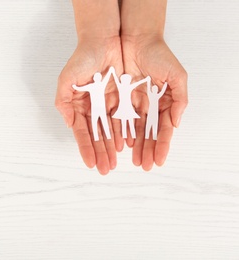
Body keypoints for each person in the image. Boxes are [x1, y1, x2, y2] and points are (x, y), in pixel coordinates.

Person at [55, 0, 188, 174]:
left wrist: (145, 31)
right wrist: (96, 31)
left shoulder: (119, 85)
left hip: (115, 106)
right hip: (102, 108)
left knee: (136, 125)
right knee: (101, 123)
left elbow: (131, 81)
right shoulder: (103, 84)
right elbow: (101, 83)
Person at [109, 66, 150, 139]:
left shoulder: (126, 86)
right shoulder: (122, 86)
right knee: (125, 121)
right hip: (124, 106)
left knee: (128, 120)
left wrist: (146, 80)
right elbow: (116, 80)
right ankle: (128, 134)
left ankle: (132, 134)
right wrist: (112, 72)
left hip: (127, 106)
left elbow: (138, 83)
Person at [72, 71, 112, 141]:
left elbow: (81, 88)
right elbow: (81, 88)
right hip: (98, 107)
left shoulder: (94, 85)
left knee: (96, 121)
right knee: (98, 121)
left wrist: (75, 87)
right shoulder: (99, 85)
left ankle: (102, 136)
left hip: (98, 107)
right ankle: (102, 136)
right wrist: (75, 87)